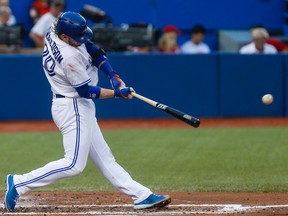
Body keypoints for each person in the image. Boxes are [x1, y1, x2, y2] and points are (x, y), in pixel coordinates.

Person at [4, 11, 171, 212]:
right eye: (76, 38)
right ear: (65, 37)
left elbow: (91, 48)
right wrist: (117, 93)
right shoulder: (68, 57)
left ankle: (142, 195)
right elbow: (86, 91)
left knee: (105, 158)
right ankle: (19, 183)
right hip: (72, 106)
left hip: (76, 105)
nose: (80, 40)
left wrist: (112, 74)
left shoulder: (57, 28)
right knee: (73, 164)